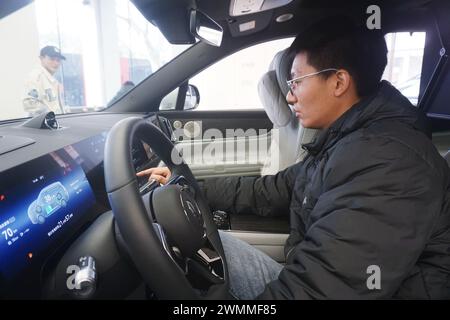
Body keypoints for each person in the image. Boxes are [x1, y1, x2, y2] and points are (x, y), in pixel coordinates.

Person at [137, 16, 450, 299]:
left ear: (339, 82)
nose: (289, 96)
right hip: (308, 274)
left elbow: (321, 293)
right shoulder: (347, 140)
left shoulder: (388, 163)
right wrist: (189, 187)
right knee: (175, 238)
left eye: (296, 82)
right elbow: (273, 189)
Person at [23, 45, 67, 116]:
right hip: (42, 125)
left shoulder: (52, 80)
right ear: (41, 58)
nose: (56, 63)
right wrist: (50, 117)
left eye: (58, 60)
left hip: (53, 124)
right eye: (52, 59)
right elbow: (30, 104)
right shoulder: (36, 77)